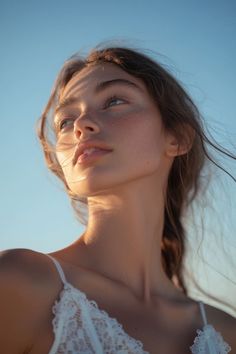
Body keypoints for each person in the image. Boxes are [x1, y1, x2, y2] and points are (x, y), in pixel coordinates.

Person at [0, 46, 235, 354]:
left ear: (176, 137)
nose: (82, 124)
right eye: (65, 122)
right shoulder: (19, 282)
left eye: (114, 101)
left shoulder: (226, 332)